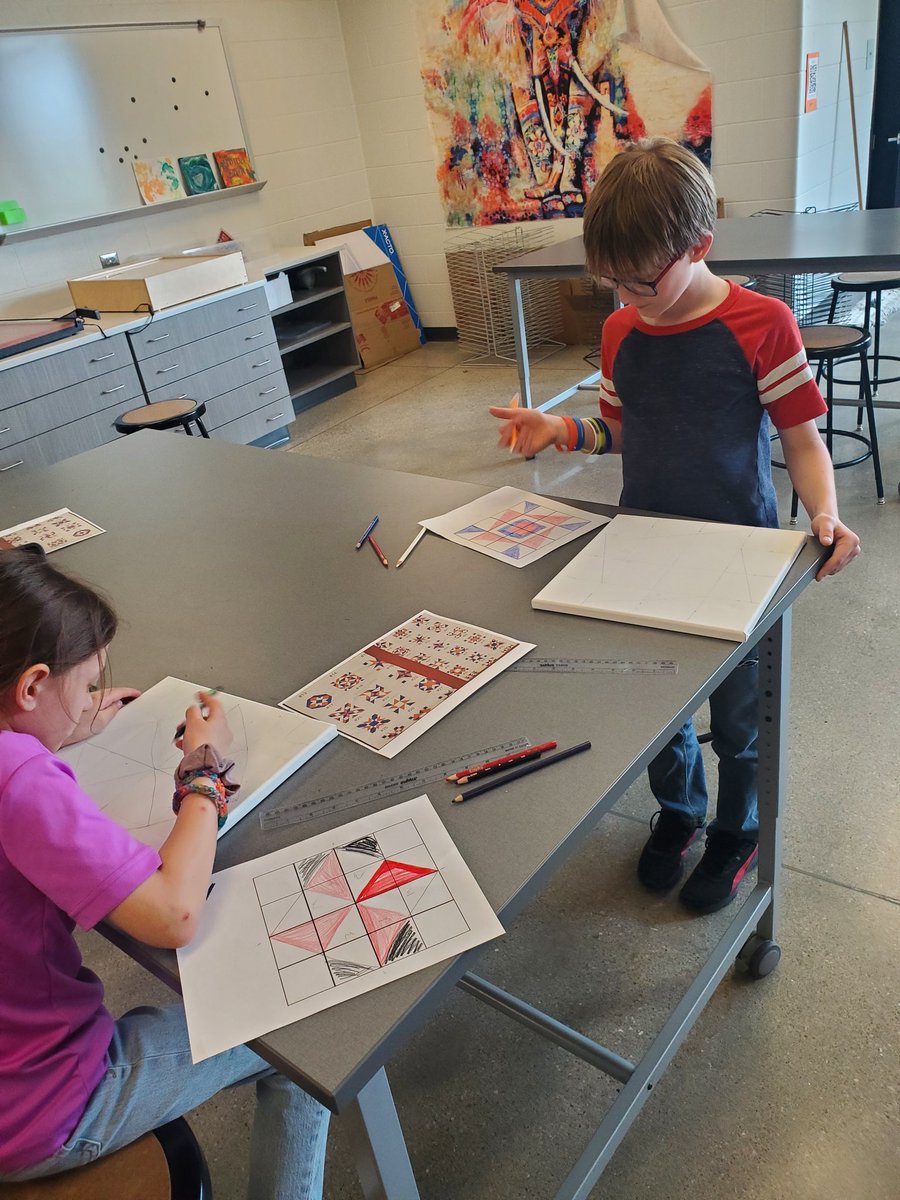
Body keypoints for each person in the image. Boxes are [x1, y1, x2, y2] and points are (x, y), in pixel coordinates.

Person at [490, 136, 860, 915]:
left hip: (740, 556)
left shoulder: (763, 325)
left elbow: (802, 442)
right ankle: (682, 813)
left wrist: (824, 511)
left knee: (739, 722)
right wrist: (564, 434)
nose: (627, 296)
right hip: (644, 547)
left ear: (700, 246)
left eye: (642, 279)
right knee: (655, 710)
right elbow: (621, 430)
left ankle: (737, 828)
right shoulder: (625, 328)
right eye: (610, 282)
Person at [0, 547, 329, 1196]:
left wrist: (53, 725)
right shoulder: (18, 780)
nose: (90, 698)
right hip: (39, 1109)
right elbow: (173, 914)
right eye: (83, 685)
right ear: (31, 686)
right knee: (302, 1040)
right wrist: (204, 771)